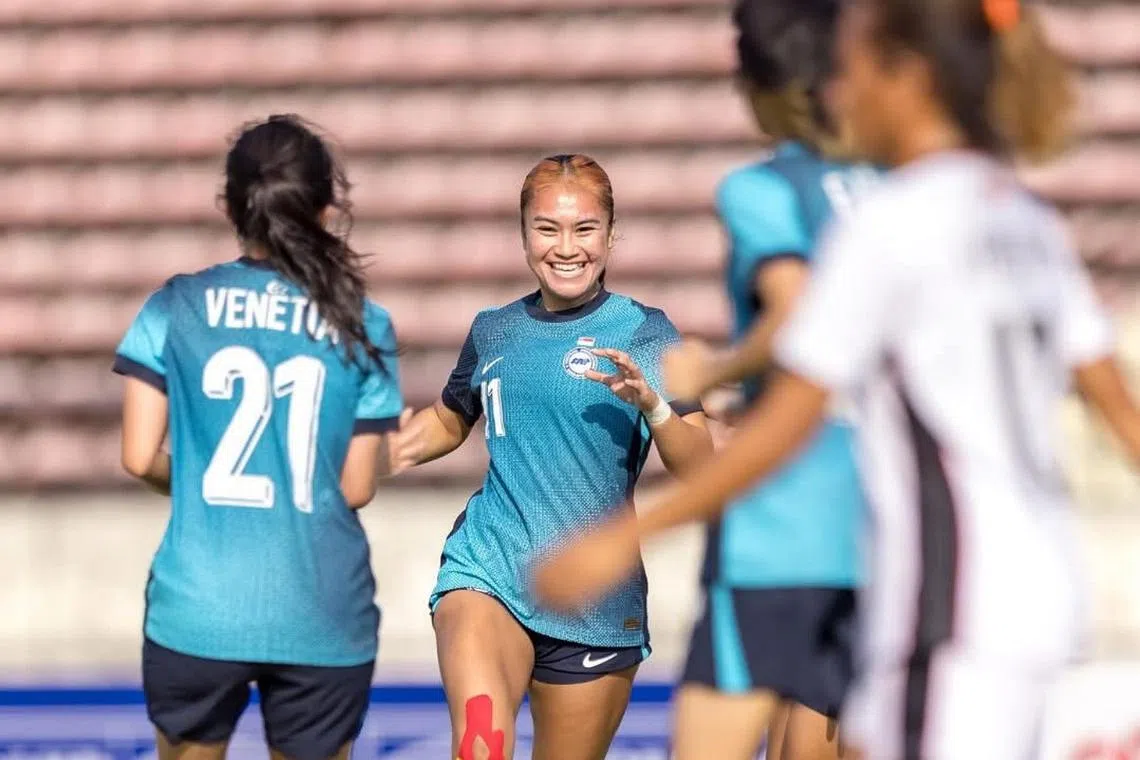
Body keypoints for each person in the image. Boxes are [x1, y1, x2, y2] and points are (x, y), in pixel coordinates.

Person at [534, 1, 1140, 758]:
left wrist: (625, 536)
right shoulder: (1024, 218)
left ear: (906, 79)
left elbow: (786, 422)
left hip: (951, 604)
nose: (835, 95)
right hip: (1048, 593)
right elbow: (1122, 413)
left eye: (850, 73)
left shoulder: (890, 225)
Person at [384, 154, 713, 760]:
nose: (567, 248)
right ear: (523, 236)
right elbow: (450, 419)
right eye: (547, 228)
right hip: (489, 571)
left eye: (585, 229)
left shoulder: (646, 330)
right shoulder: (494, 329)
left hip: (595, 598)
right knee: (480, 745)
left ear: (612, 236)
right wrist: (389, 452)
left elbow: (700, 465)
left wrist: (655, 407)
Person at [114, 114, 404, 760]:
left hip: (199, 607)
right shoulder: (362, 320)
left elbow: (137, 455)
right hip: (323, 609)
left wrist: (195, 480)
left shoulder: (174, 305)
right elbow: (355, 487)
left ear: (229, 203)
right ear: (328, 208)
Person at [659, 2, 875, 758]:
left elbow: (795, 310)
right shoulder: (898, 186)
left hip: (783, 521)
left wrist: (710, 367)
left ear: (754, 81)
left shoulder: (763, 188)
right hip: (891, 520)